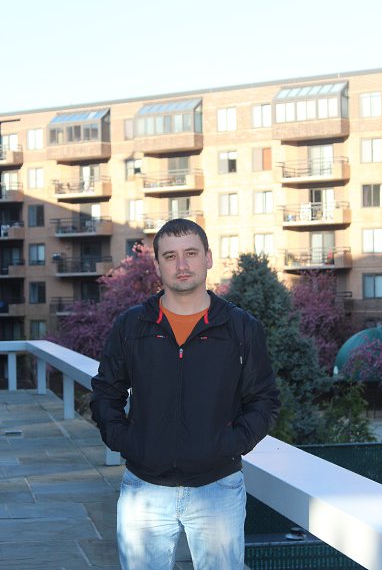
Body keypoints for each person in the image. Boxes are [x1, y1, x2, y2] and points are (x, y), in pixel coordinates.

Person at [90, 219, 280, 570]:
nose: (182, 264)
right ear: (157, 265)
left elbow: (264, 399)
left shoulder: (240, 327)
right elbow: (105, 392)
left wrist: (229, 444)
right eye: (170, 256)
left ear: (208, 258)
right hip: (144, 490)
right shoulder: (132, 326)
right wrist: (126, 441)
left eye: (191, 253)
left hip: (218, 487)